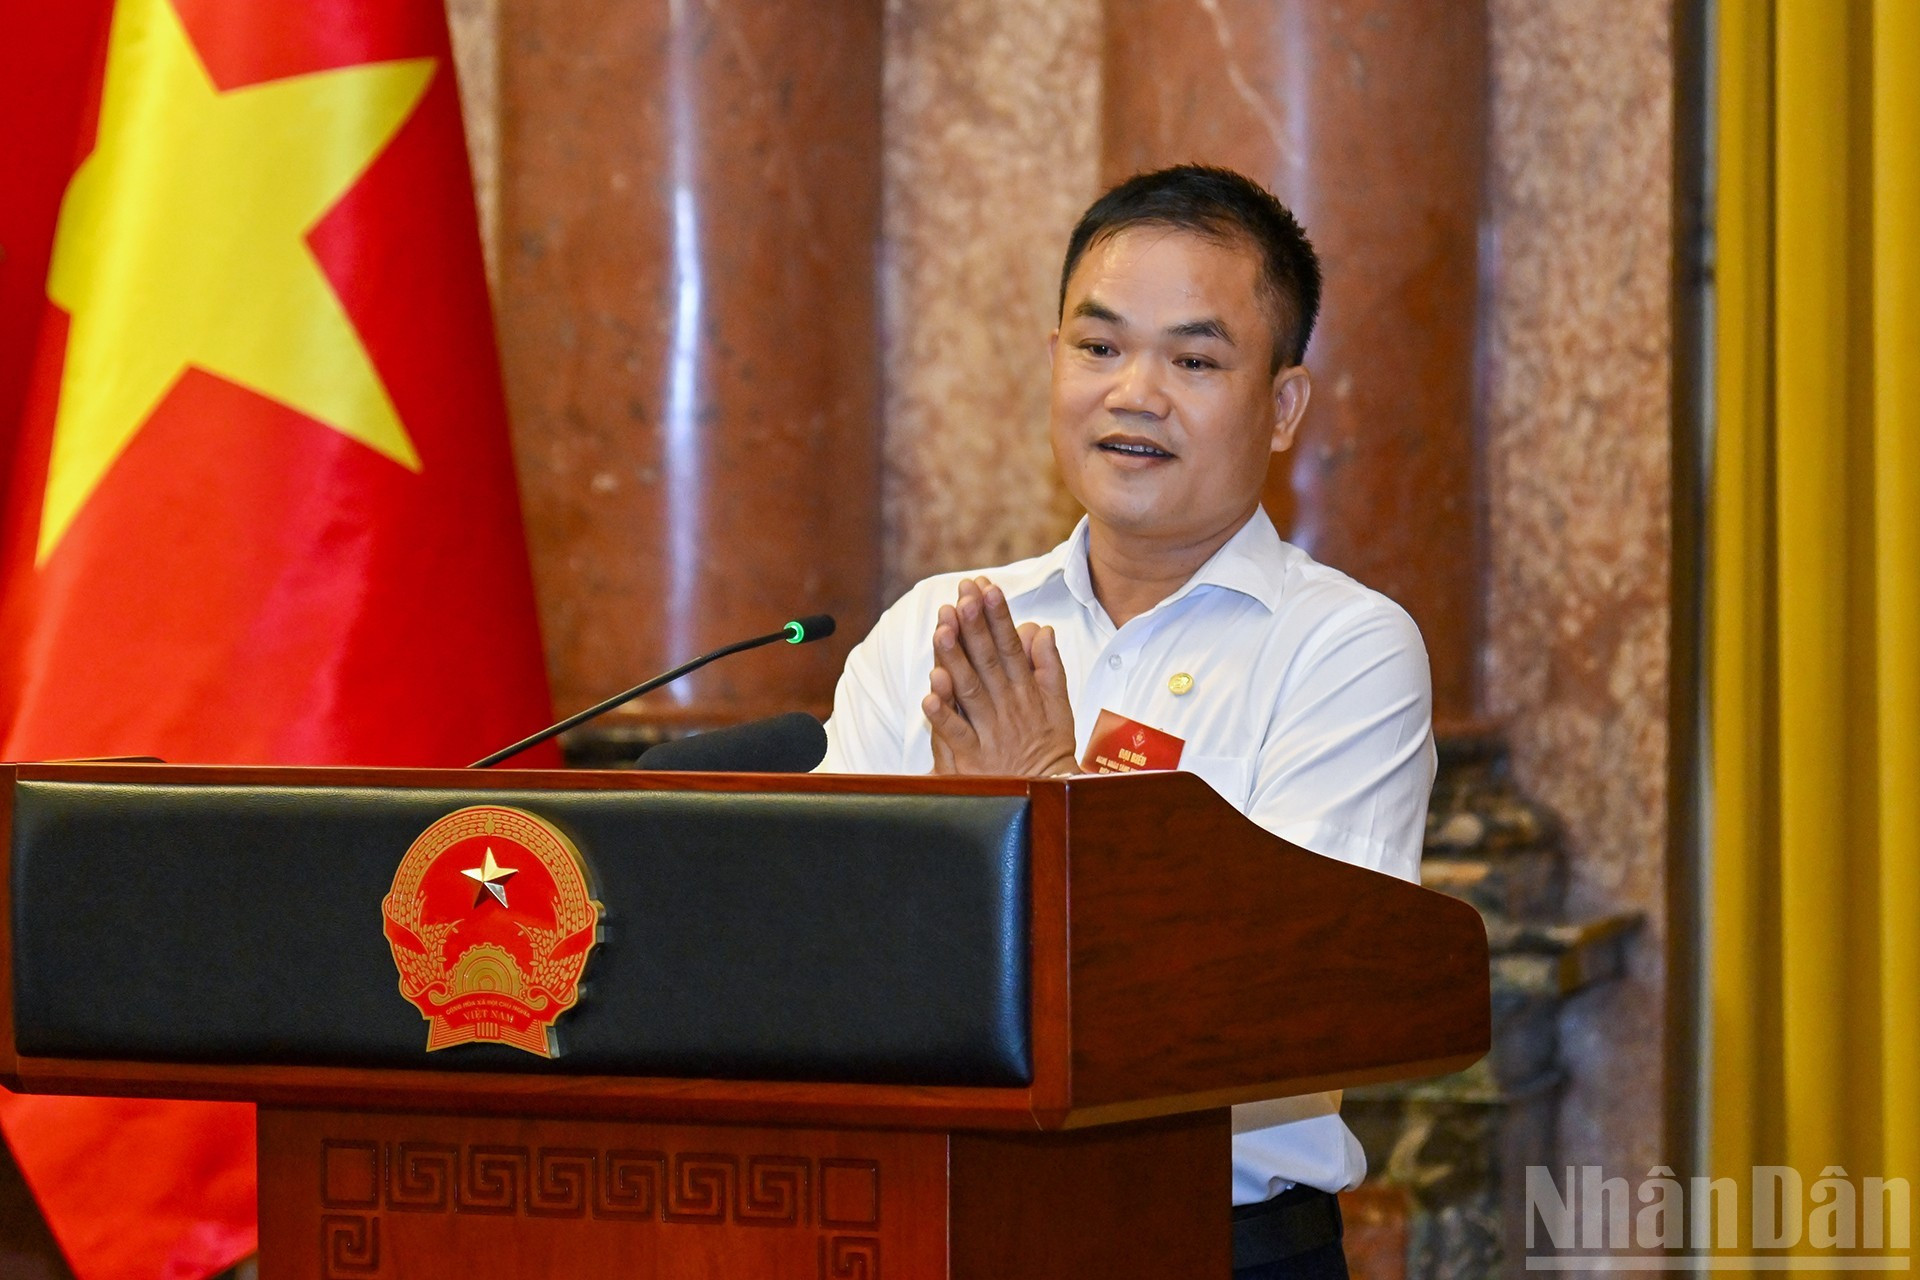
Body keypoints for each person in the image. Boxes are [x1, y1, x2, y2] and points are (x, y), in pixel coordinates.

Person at [817, 163, 1434, 1280]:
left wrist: (1045, 795)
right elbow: (820, 947)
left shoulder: (1343, 649)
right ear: (1051, 360)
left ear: (1284, 405)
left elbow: (1285, 994)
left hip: (1216, 1242)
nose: (1134, 392)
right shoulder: (939, 630)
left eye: (1194, 360)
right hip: (928, 1223)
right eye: (1099, 348)